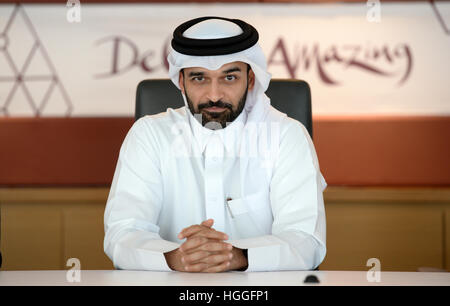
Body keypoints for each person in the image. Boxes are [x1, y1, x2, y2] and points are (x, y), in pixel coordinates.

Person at [104, 16, 327, 272]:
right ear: (181, 82)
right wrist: (175, 257)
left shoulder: (286, 137)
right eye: (199, 78)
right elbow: (122, 233)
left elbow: (307, 241)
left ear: (250, 80)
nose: (214, 95)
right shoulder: (149, 135)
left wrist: (236, 256)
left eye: (229, 78)